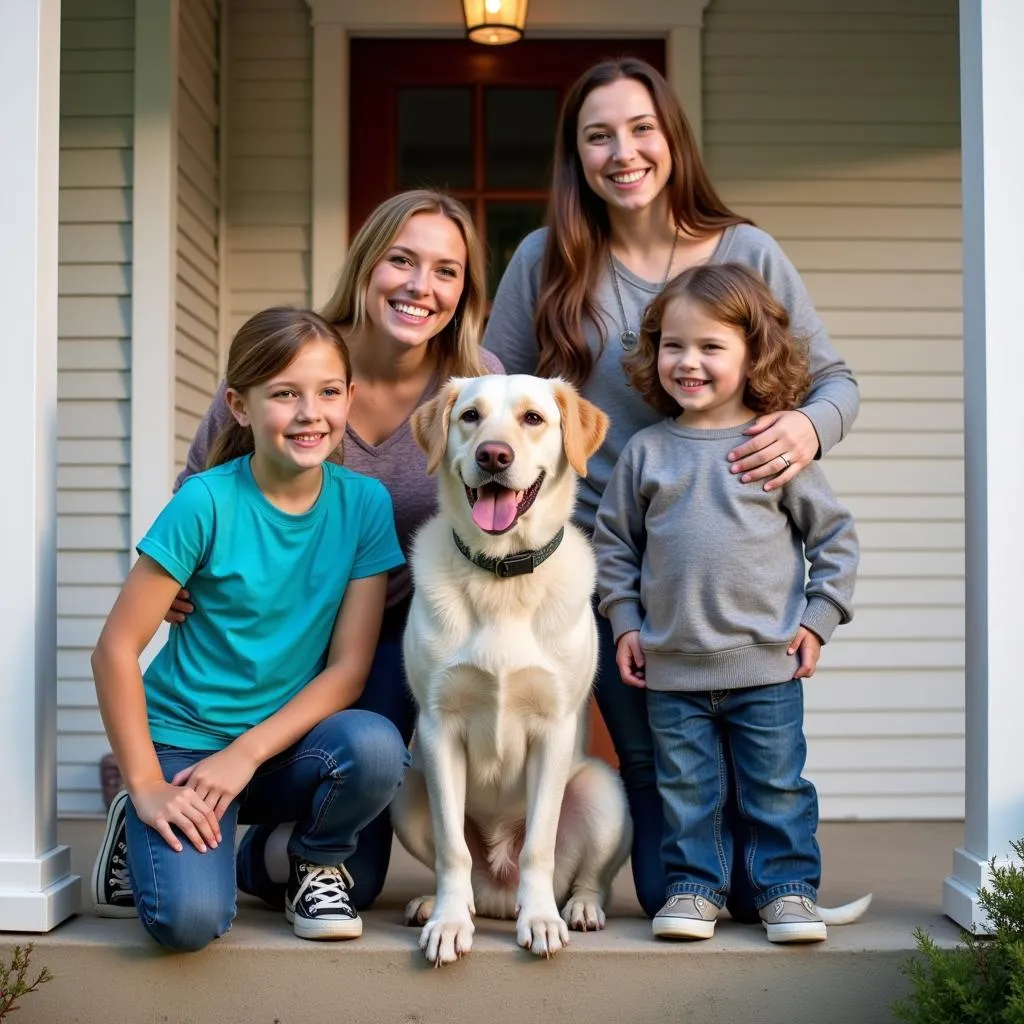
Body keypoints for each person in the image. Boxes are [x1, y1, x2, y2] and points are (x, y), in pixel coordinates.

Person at [483, 57, 860, 920]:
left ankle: (774, 885)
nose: (623, 152)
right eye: (598, 136)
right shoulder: (548, 258)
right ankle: (692, 883)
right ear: (575, 156)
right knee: (661, 789)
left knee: (759, 760)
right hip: (600, 558)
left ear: (672, 137)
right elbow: (491, 384)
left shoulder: (746, 251)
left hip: (730, 555)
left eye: (640, 128)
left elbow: (836, 383)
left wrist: (805, 427)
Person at [93, 190, 502, 919]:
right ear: (367, 263)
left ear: (465, 289)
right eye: (401, 260)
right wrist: (182, 584)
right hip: (260, 635)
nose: (420, 285)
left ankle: (257, 849)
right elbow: (206, 493)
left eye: (446, 270)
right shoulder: (297, 357)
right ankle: (159, 815)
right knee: (195, 907)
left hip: (386, 642)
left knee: (357, 874)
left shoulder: (476, 385)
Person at [90, 307, 409, 950]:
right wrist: (147, 783)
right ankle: (136, 822)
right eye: (284, 393)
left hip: (277, 751)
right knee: (189, 923)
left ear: (348, 398)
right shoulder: (204, 501)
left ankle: (313, 860)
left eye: (326, 392)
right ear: (239, 405)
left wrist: (247, 753)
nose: (308, 412)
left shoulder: (364, 504)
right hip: (182, 752)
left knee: (375, 746)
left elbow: (349, 669)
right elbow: (115, 651)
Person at [593, 263, 858, 942]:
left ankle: (788, 894)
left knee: (776, 791)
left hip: (765, 667)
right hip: (672, 671)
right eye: (673, 345)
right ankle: (693, 891)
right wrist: (624, 623)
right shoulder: (647, 453)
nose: (689, 362)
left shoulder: (773, 447)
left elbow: (834, 540)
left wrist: (818, 621)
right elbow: (614, 549)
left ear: (752, 353)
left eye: (711, 347)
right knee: (688, 794)